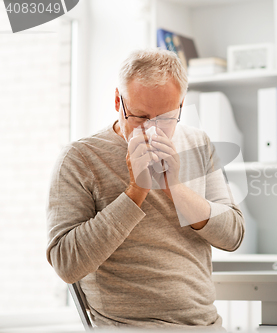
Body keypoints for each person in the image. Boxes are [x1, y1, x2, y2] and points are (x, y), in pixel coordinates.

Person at [46, 49, 245, 328]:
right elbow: (66, 263)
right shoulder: (79, 158)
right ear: (118, 100)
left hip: (205, 325)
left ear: (181, 106)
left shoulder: (199, 142)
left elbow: (233, 235)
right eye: (139, 116)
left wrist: (174, 187)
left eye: (164, 118)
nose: (152, 130)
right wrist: (135, 192)